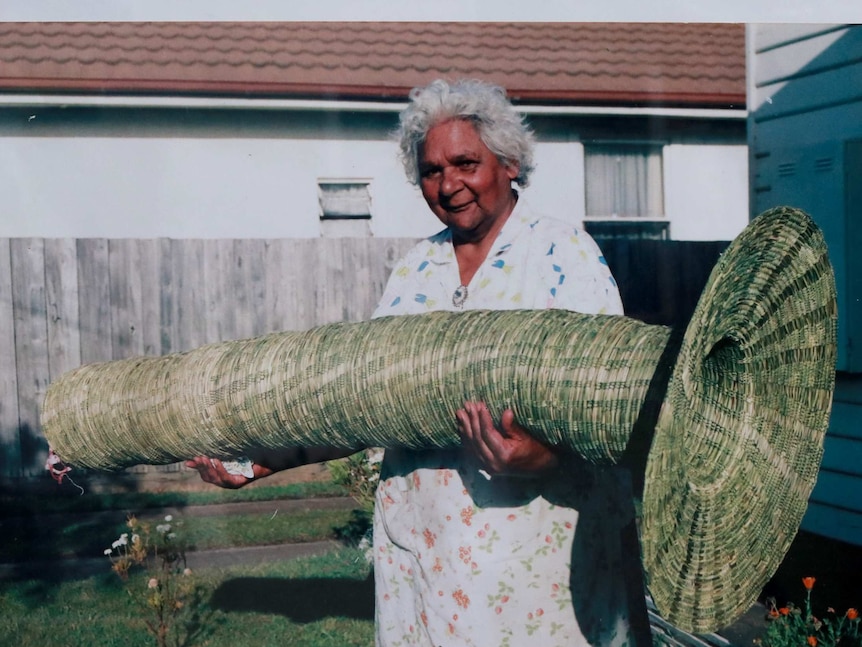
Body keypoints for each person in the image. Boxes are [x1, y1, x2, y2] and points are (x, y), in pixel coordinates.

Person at [187, 78, 649, 646]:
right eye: (431, 170)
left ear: (508, 163)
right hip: (422, 561)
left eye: (465, 163)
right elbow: (364, 404)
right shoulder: (415, 271)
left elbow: (609, 409)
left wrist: (541, 456)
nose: (448, 183)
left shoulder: (561, 253)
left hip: (529, 569)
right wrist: (260, 463)